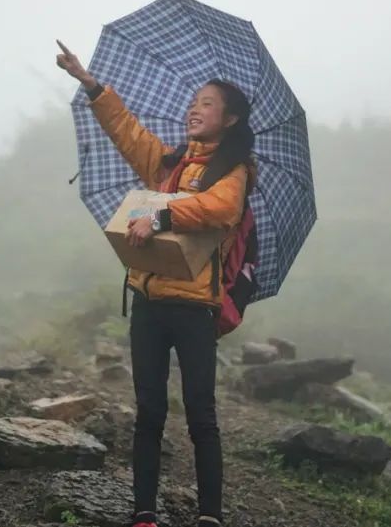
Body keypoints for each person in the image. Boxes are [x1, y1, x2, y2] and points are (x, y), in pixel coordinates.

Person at [57, 41, 255, 527]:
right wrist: (91, 84)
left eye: (207, 103)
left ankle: (210, 515)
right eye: (194, 102)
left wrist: (162, 210)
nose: (195, 109)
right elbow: (128, 133)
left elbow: (221, 209)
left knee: (201, 416)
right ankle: (143, 512)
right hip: (147, 303)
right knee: (147, 413)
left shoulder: (232, 171)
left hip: (194, 310)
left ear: (229, 119)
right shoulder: (167, 166)